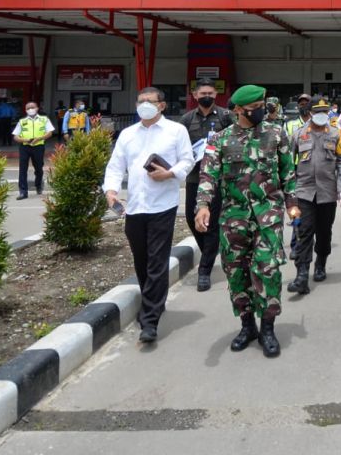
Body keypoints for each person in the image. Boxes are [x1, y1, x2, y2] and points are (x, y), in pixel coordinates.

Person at [196, 84, 297, 358]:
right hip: (233, 218)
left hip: (268, 216)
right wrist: (203, 205)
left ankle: (267, 327)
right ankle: (247, 325)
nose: (261, 111)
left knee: (267, 270)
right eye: (255, 108)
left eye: (262, 105)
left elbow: (288, 172)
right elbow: (208, 176)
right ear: (239, 109)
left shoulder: (277, 135)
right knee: (236, 273)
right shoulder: (220, 139)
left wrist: (292, 204)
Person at [102, 87, 194, 344]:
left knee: (157, 261)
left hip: (162, 206)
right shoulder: (128, 134)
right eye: (140, 101)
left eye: (150, 101)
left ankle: (150, 319)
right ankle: (154, 300)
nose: (144, 105)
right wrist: (110, 190)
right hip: (135, 207)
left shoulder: (176, 131)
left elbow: (187, 161)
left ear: (161, 106)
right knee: (141, 259)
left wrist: (170, 173)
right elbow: (116, 165)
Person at [179, 78, 233, 291]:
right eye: (203, 94)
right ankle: (210, 251)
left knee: (211, 223)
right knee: (194, 221)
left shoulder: (225, 117)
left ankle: (204, 270)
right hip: (194, 177)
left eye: (210, 93)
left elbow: (233, 141)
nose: (207, 96)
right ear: (195, 95)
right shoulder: (186, 119)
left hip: (217, 179)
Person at [286, 96, 341, 295]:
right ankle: (302, 275)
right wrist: (289, 189)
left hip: (327, 192)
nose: (321, 116)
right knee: (304, 232)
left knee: (324, 234)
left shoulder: (336, 134)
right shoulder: (299, 135)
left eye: (325, 112)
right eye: (317, 112)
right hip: (304, 191)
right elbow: (287, 162)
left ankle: (321, 262)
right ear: (309, 114)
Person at [14, 100, 53, 199]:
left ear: (37, 108)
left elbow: (50, 133)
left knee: (39, 168)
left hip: (38, 146)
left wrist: (39, 139)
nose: (30, 109)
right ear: (25, 110)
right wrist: (24, 140)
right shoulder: (22, 121)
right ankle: (23, 192)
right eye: (28, 108)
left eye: (32, 107)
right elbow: (15, 136)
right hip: (25, 147)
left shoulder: (44, 119)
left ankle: (38, 185)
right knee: (23, 169)